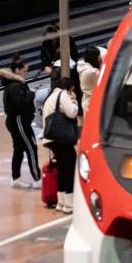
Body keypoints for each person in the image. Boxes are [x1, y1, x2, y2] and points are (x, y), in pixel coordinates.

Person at [0, 54, 41, 189]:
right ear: (17, 71)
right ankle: (37, 179)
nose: (26, 74)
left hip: (18, 121)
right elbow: (20, 102)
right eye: (24, 71)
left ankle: (15, 178)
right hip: (19, 121)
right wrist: (32, 94)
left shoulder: (16, 84)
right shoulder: (14, 86)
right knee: (31, 147)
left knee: (18, 149)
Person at [43, 77, 80, 213]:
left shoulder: (51, 96)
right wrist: (74, 100)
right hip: (61, 138)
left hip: (52, 138)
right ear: (69, 88)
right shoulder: (62, 95)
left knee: (62, 170)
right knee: (69, 168)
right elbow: (72, 112)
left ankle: (62, 202)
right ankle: (69, 205)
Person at [78, 46, 102, 113]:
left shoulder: (82, 67)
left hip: (86, 100)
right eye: (99, 56)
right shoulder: (93, 72)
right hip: (94, 102)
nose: (100, 58)